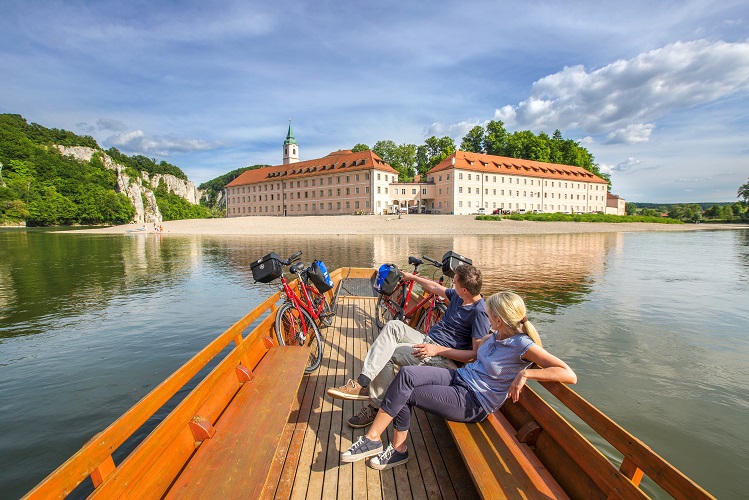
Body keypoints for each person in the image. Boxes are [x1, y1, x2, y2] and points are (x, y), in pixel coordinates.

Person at [339, 291, 577, 470]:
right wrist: (439, 350)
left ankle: (395, 449)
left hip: (474, 401)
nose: (487, 316)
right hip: (460, 377)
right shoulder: (496, 334)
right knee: (406, 376)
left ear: (500, 319)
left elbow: (568, 374)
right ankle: (374, 440)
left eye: (491, 313)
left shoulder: (523, 345)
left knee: (405, 393)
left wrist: (526, 373)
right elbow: (472, 355)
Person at [326, 264, 491, 428]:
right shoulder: (459, 296)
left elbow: (474, 354)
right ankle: (363, 382)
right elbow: (434, 287)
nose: (452, 285)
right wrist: (412, 277)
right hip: (428, 341)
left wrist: (437, 350)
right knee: (393, 326)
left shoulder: (479, 314)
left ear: (465, 290)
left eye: (455, 282)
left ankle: (376, 406)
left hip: (443, 359)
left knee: (388, 354)